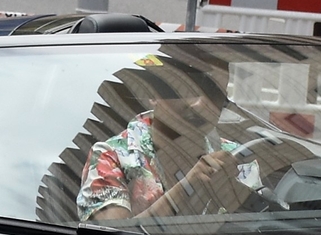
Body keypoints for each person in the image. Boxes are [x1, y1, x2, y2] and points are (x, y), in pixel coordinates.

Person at [76, 60, 244, 224]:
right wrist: (187, 187)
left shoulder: (237, 154)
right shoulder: (110, 157)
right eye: (184, 89)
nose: (200, 104)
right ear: (153, 95)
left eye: (214, 93)